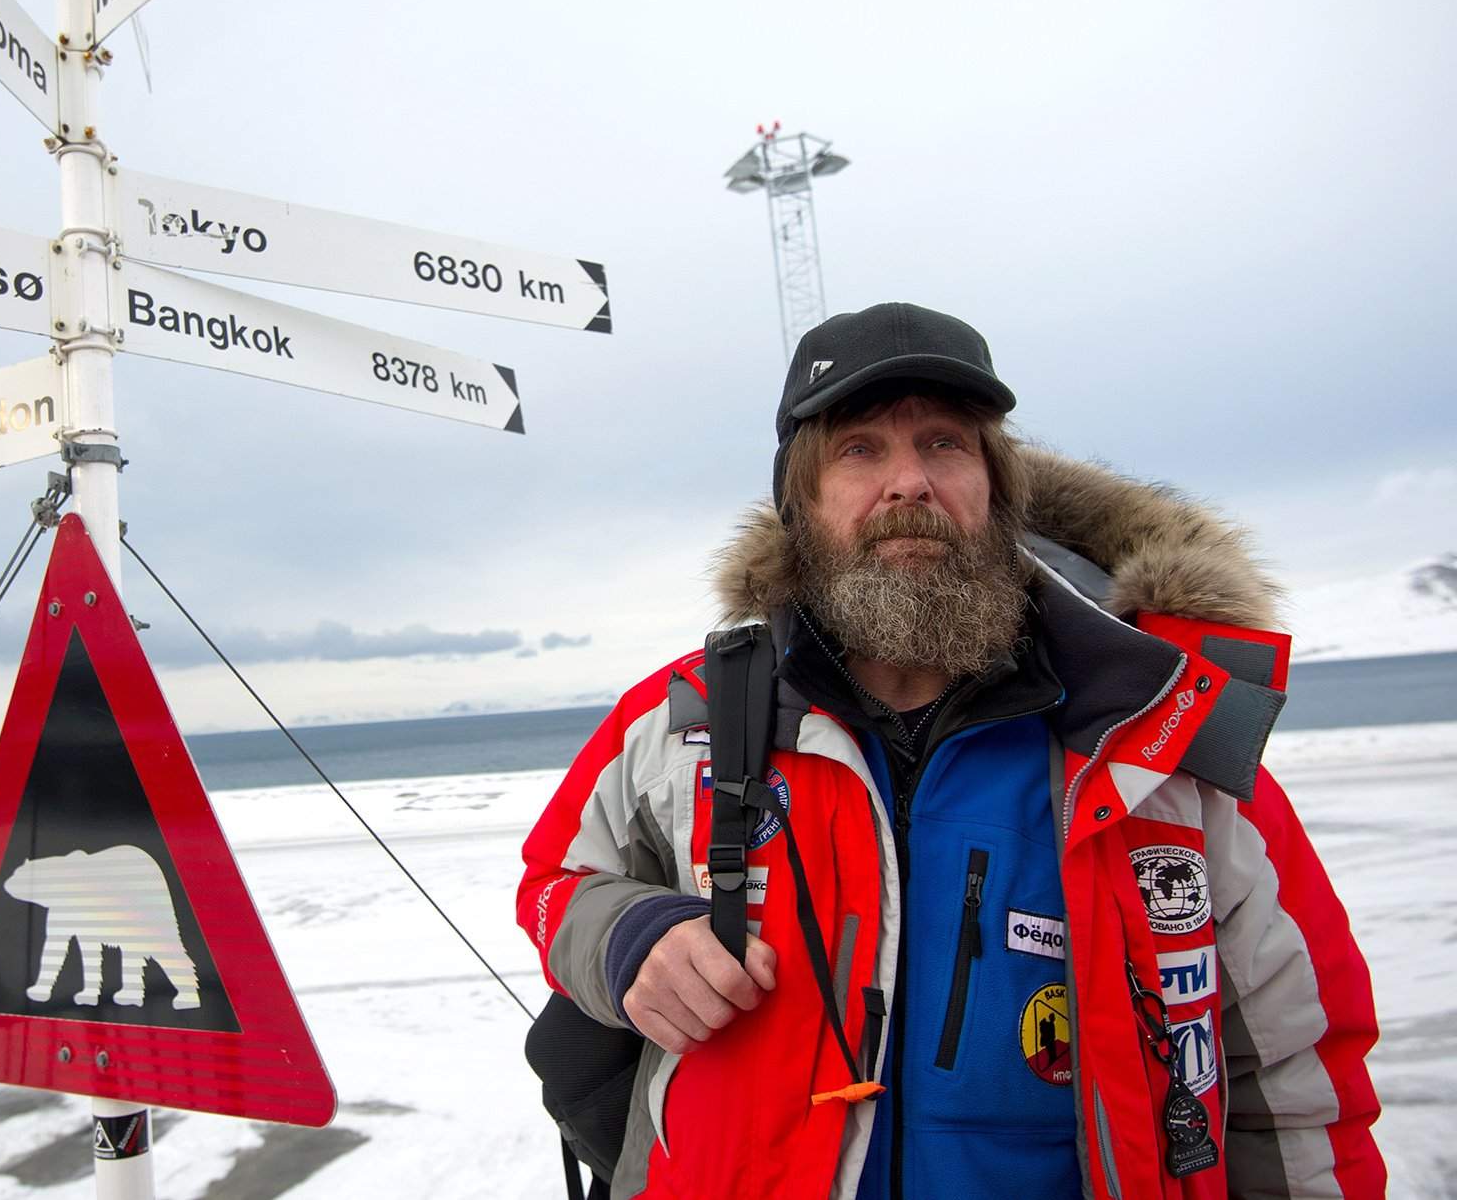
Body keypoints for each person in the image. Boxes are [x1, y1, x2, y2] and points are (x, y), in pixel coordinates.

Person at [517, 302, 1383, 1199]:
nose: (909, 482)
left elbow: (1292, 1079)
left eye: (944, 444)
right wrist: (629, 939)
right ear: (800, 504)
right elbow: (554, 883)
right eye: (860, 448)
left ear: (997, 490)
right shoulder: (681, 717)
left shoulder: (1153, 744)